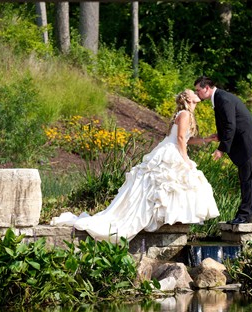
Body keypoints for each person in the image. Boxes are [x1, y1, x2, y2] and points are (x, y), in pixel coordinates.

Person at [51, 89, 220, 242]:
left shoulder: (186, 114)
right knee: (171, 182)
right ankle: (164, 217)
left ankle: (173, 218)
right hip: (172, 152)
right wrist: (185, 160)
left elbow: (187, 139)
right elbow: (181, 139)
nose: (196, 93)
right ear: (189, 99)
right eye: (193, 93)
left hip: (172, 149)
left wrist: (207, 139)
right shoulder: (185, 114)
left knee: (174, 184)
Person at [194, 76, 252, 224]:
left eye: (198, 90)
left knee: (248, 180)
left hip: (249, 142)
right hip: (247, 142)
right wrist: (220, 136)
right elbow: (230, 123)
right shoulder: (220, 98)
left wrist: (221, 149)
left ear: (207, 88)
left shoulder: (223, 99)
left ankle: (245, 216)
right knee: (246, 180)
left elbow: (230, 125)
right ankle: (245, 216)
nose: (197, 93)